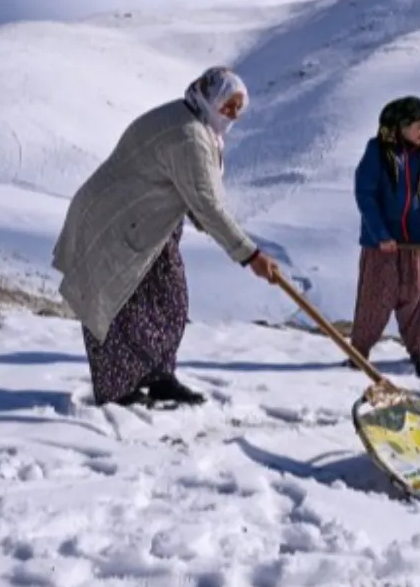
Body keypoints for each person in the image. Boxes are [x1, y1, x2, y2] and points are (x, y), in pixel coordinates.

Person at [52, 66, 279, 408]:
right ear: (210, 95)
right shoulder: (188, 135)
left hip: (149, 223)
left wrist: (201, 216)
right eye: (228, 104)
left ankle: (158, 376)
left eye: (238, 107)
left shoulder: (194, 121)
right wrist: (250, 255)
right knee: (115, 303)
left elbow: (191, 189)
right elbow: (207, 204)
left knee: (169, 299)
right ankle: (117, 389)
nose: (232, 114)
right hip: (114, 222)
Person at [347, 95, 420, 380]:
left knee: (413, 294)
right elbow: (365, 195)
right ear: (401, 126)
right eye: (419, 125)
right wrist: (381, 235)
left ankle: (417, 352)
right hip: (381, 244)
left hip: (413, 240)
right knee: (376, 298)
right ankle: (359, 353)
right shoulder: (377, 151)